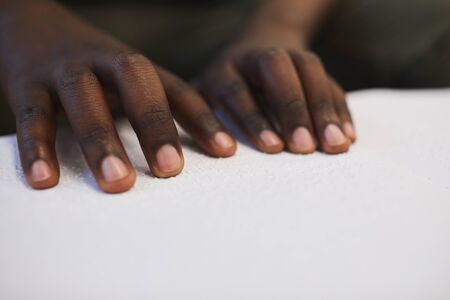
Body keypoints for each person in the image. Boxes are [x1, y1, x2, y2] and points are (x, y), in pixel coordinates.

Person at [0, 0, 448, 193]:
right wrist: (19, 20)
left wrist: (281, 25)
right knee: (33, 105)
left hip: (236, 12)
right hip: (57, 16)